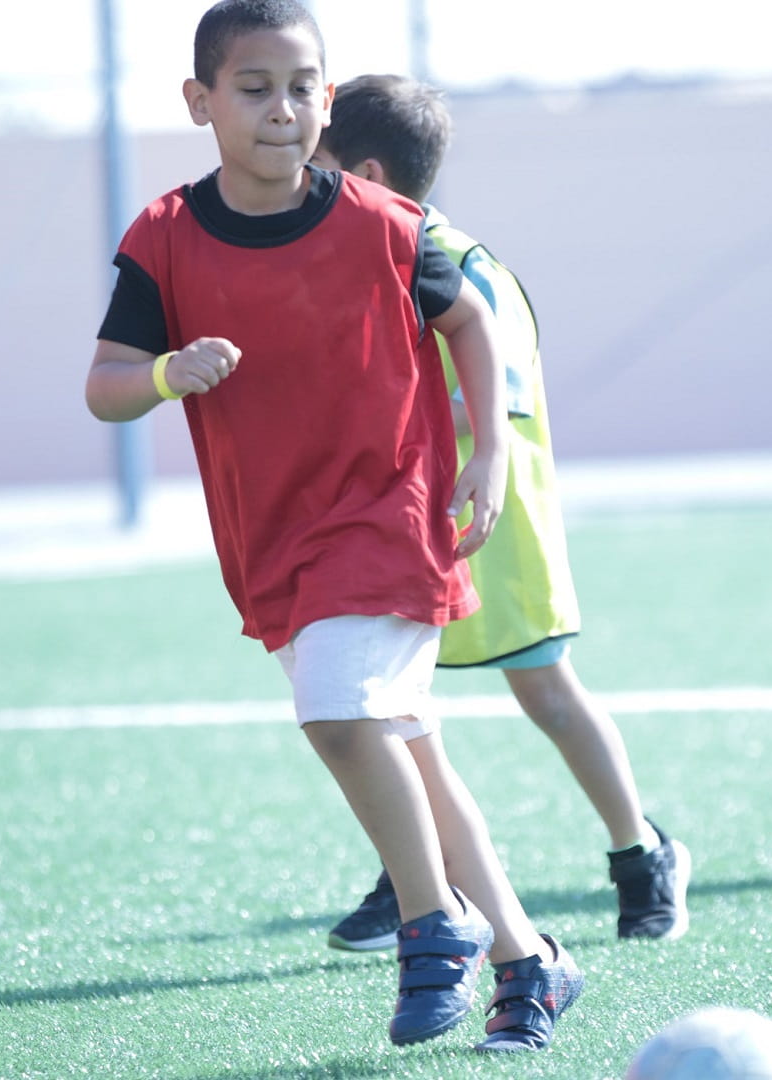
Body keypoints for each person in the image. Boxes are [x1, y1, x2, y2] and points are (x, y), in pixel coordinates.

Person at [83, 0, 579, 1053]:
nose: (282, 109)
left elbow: (471, 321)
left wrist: (489, 451)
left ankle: (433, 923)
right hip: (275, 545)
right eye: (254, 88)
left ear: (329, 98)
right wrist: (168, 372)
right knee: (410, 757)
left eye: (303, 88)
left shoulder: (383, 223)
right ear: (200, 102)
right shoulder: (163, 238)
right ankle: (530, 963)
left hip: (390, 514)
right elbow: (106, 385)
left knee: (338, 717)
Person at [310, 73, 692, 952]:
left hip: (494, 524)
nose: (303, 181)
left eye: (319, 165)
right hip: (398, 521)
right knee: (389, 706)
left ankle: (643, 854)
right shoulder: (343, 264)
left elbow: (492, 398)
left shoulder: (462, 263)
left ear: (364, 174)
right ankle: (415, 876)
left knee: (547, 692)